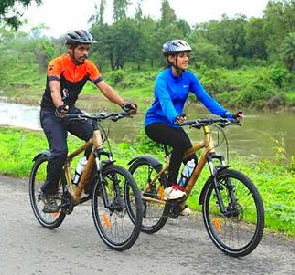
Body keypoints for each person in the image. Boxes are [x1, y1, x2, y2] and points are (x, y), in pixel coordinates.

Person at [39, 30, 136, 212]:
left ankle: (89, 181)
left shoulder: (88, 66)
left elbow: (105, 88)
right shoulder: (57, 64)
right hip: (52, 112)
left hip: (71, 111)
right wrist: (59, 105)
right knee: (60, 151)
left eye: (87, 49)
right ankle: (49, 192)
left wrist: (123, 104)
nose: (85, 53)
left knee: (95, 135)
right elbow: (54, 89)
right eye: (81, 49)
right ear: (70, 48)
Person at [144, 40, 242, 215]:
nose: (186, 58)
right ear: (171, 58)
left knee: (192, 161)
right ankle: (170, 187)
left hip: (174, 123)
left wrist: (226, 115)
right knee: (180, 144)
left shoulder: (190, 78)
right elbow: (165, 102)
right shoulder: (162, 78)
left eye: (187, 55)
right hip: (156, 123)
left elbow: (206, 98)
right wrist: (175, 116)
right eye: (182, 55)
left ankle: (177, 201)